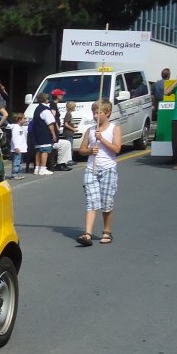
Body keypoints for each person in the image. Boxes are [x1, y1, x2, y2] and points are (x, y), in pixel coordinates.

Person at [76, 99, 123, 246]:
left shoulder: (114, 129)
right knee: (91, 201)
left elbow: (116, 149)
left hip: (108, 169)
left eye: (98, 113)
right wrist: (90, 150)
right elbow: (82, 150)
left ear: (107, 113)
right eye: (94, 113)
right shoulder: (90, 131)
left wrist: (101, 139)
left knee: (106, 202)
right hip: (92, 169)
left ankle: (107, 231)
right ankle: (88, 234)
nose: (95, 116)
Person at [29, 92, 57, 175]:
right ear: (46, 100)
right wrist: (53, 134)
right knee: (45, 150)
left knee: (38, 150)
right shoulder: (46, 110)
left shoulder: (37, 109)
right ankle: (43, 168)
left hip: (37, 132)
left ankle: (37, 168)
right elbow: (50, 123)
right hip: (44, 133)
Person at [49, 91, 72, 170]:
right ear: (57, 96)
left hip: (55, 133)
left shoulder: (54, 105)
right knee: (65, 144)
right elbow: (52, 118)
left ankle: (64, 162)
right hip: (52, 138)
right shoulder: (52, 105)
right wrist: (57, 127)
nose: (62, 96)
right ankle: (60, 164)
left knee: (67, 143)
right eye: (61, 95)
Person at [8, 113, 28, 180]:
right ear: (19, 120)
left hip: (21, 148)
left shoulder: (20, 127)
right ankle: (14, 174)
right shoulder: (16, 128)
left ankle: (16, 174)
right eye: (24, 118)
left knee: (20, 162)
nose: (25, 120)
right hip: (17, 148)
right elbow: (15, 137)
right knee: (16, 161)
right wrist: (16, 147)